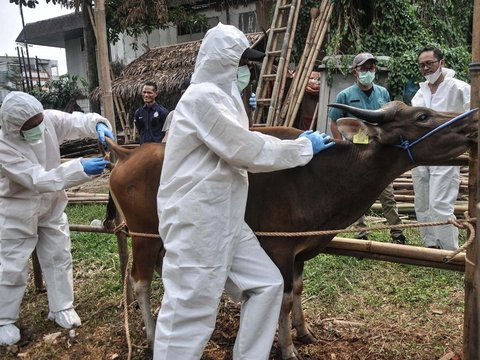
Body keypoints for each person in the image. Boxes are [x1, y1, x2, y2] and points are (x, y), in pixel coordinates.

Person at [154, 23, 335, 359]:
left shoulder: (226, 97)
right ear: (221, 61)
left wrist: (296, 145)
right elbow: (245, 149)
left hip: (227, 218)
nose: (244, 70)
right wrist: (300, 149)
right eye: (239, 62)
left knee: (267, 284)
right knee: (189, 309)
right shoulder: (201, 99)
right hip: (197, 221)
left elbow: (244, 139)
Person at [0, 91, 113, 346]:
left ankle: (61, 306)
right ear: (15, 127)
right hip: (17, 208)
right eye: (31, 126)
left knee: (58, 255)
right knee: (11, 265)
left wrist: (98, 124)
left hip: (51, 205)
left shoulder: (48, 120)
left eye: (39, 120)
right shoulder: (4, 146)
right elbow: (36, 179)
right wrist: (78, 168)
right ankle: (3, 318)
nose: (38, 127)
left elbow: (75, 121)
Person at [329, 52, 406, 244]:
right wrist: (340, 146)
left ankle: (397, 233)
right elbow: (334, 121)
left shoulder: (383, 93)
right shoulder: (345, 95)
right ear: (355, 72)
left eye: (371, 68)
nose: (368, 72)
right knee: (358, 191)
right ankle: (361, 232)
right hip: (356, 150)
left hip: (380, 150)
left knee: (387, 193)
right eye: (364, 68)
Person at [411, 46, 470, 250]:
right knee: (422, 201)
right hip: (420, 153)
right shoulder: (419, 93)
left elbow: (474, 117)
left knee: (440, 203)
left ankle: (448, 248)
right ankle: (430, 245)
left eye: (430, 63)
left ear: (441, 63)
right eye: (422, 65)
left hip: (446, 154)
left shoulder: (460, 88)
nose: (426, 68)